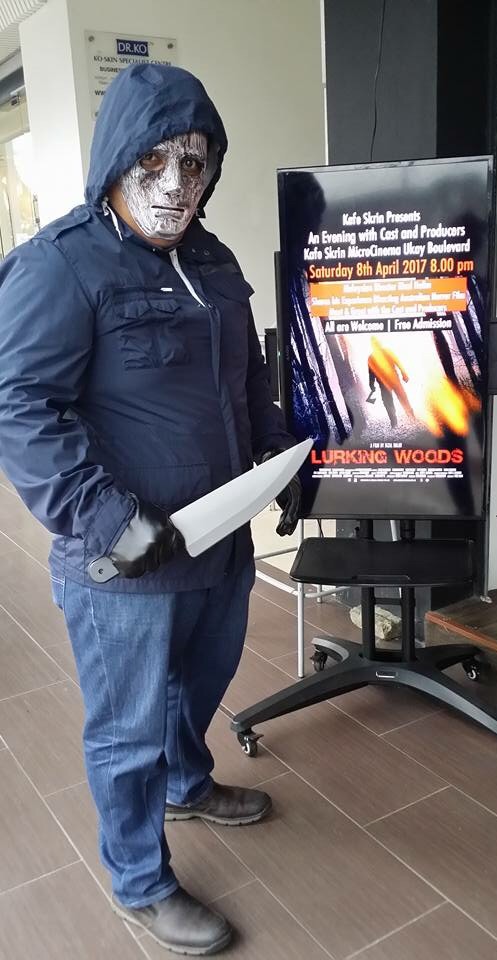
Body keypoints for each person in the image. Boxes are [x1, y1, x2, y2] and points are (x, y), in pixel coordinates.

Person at [0, 63, 301, 956]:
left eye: (193, 163)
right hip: (122, 558)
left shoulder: (213, 260)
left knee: (200, 685)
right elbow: (19, 407)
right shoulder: (60, 266)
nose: (174, 183)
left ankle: (186, 783)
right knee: (127, 728)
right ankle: (139, 878)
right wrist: (105, 518)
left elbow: (245, 376)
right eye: (154, 161)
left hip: (218, 537)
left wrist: (276, 457)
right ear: (117, 161)